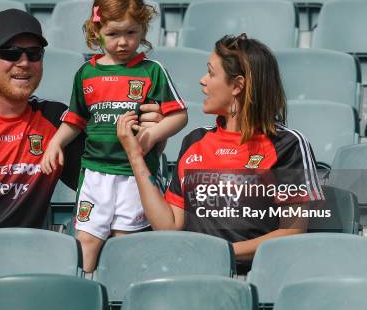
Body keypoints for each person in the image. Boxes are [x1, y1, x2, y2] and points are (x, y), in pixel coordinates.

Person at [0, 8, 164, 266]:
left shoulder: (57, 120)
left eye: (33, 53)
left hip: (31, 267)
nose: (23, 62)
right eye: (9, 53)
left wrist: (152, 139)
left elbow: (113, 176)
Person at [117, 34, 323, 271]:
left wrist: (222, 254)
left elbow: (292, 232)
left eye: (211, 73)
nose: (202, 81)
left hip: (255, 278)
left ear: (237, 85)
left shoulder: (289, 145)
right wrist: (135, 157)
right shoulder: (194, 140)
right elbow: (169, 226)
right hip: (191, 274)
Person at [41, 0, 188, 272]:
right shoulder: (86, 73)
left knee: (126, 243)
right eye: (113, 34)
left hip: (135, 174)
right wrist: (54, 144)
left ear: (143, 29)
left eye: (131, 33)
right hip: (95, 172)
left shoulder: (152, 70)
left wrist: (151, 135)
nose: (123, 42)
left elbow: (179, 116)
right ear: (96, 31)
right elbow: (75, 119)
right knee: (86, 239)